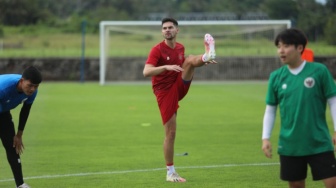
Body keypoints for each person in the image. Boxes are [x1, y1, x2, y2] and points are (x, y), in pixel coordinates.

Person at [143, 17, 216, 182]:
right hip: (164, 92)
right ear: (162, 32)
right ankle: (170, 172)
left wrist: (203, 62)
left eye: (170, 27)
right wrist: (165, 67)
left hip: (178, 86)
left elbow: (186, 66)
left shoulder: (180, 47)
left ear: (177, 30)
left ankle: (207, 56)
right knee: (171, 133)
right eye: (164, 28)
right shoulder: (157, 50)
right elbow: (146, 72)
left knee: (190, 59)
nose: (167, 30)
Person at [261, 28, 336, 188]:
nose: (281, 50)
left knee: (332, 183)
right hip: (290, 145)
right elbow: (271, 109)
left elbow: (333, 101)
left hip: (319, 142)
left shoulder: (319, 71)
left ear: (300, 48)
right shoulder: (276, 76)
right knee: (295, 185)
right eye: (279, 46)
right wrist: (265, 138)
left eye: (286, 46)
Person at [0, 66, 42, 188]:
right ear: (22, 81)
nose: (32, 89)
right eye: (30, 85)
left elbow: (25, 110)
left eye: (36, 86)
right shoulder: (4, 87)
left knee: (12, 145)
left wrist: (19, 134)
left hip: (3, 112)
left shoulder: (32, 92)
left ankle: (20, 184)